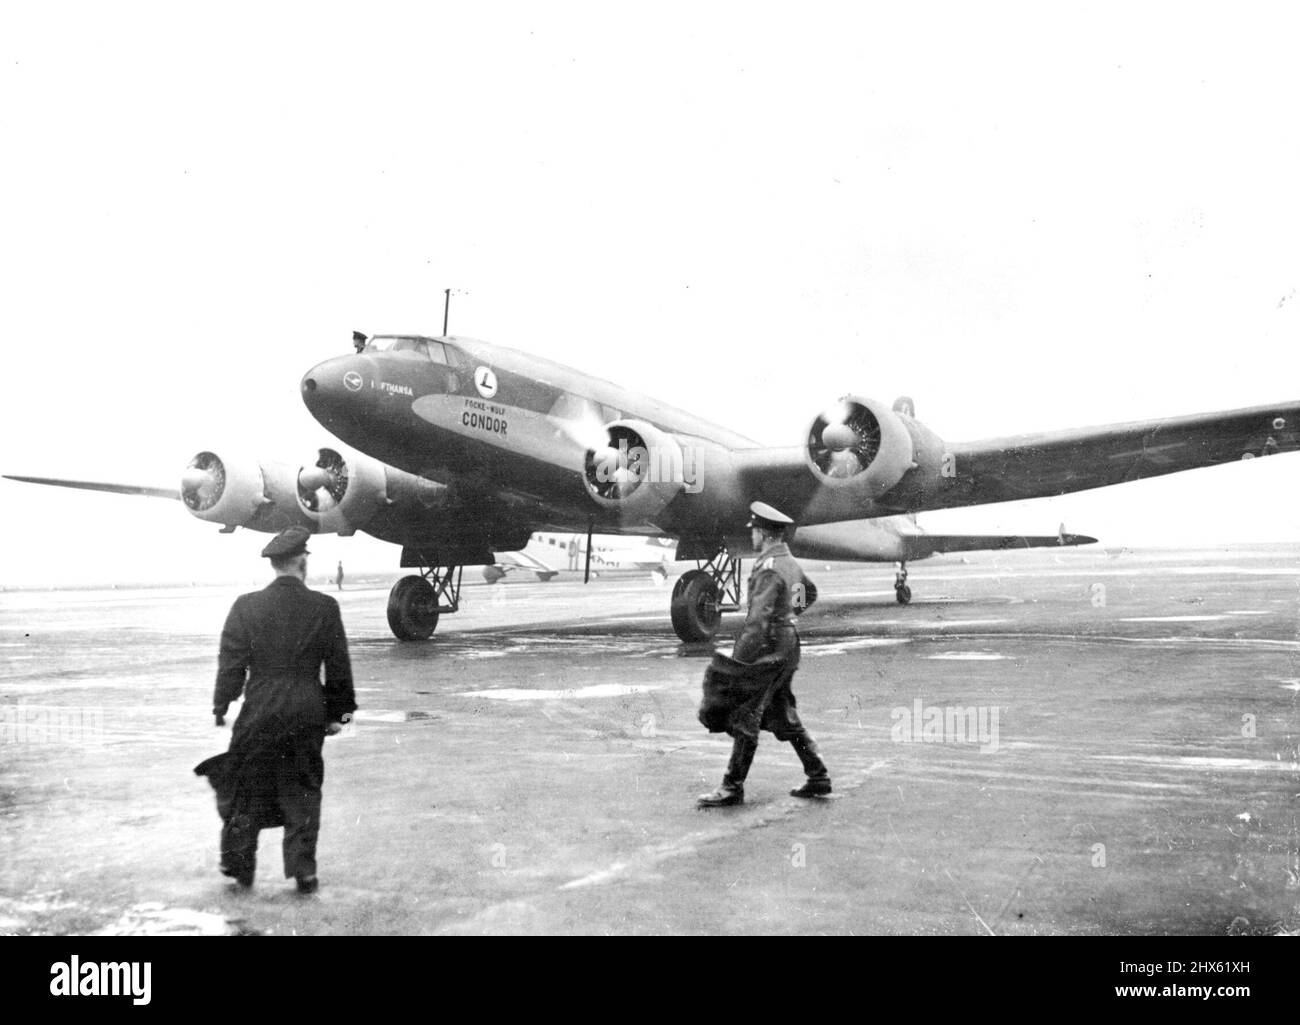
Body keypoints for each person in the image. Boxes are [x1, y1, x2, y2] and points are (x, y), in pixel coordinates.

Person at [194, 526, 356, 895]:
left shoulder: (245, 606)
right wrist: (339, 716)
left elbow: (231, 663)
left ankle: (240, 866)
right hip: (306, 710)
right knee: (303, 787)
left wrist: (222, 704)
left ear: (276, 564)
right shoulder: (325, 607)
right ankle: (304, 872)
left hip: (260, 709)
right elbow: (339, 667)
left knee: (247, 786)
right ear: (301, 562)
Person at [697, 502, 831, 807]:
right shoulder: (789, 563)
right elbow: (808, 593)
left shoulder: (769, 568)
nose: (753, 537)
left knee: (747, 714)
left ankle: (732, 787)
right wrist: (788, 616)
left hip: (769, 649)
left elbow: (756, 623)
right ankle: (818, 775)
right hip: (788, 644)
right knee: (782, 713)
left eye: (754, 531)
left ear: (764, 532)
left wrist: (738, 664)